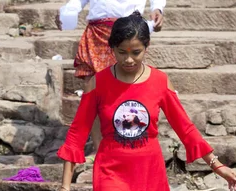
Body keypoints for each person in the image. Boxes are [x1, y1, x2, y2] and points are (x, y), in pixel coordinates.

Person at [54, 12, 236, 191]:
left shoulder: (160, 82)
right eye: (122, 52)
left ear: (146, 48)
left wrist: (216, 166)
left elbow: (185, 128)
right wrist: (65, 187)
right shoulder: (97, 83)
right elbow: (77, 135)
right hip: (111, 171)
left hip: (148, 174)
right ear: (112, 49)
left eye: (136, 52)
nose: (129, 59)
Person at [57, 0, 166, 153]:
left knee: (125, 92)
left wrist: (158, 8)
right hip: (96, 33)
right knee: (92, 95)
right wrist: (67, 11)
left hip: (128, 32)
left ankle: (127, 144)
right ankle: (99, 149)